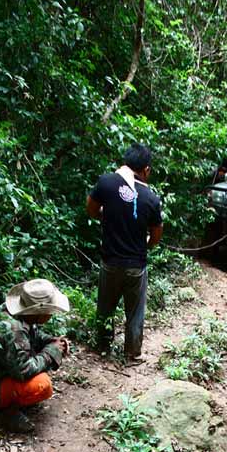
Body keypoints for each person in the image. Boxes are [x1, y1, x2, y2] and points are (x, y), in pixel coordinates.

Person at [86, 143, 164, 363]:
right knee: (135, 312)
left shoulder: (107, 182)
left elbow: (91, 208)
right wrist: (145, 245)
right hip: (136, 266)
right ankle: (132, 353)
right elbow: (156, 235)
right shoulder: (151, 198)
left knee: (105, 307)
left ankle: (102, 346)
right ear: (146, 169)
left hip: (110, 261)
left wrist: (107, 217)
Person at [0, 278, 70, 433]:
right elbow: (23, 371)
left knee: (39, 375)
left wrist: (52, 342)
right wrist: (52, 352)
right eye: (50, 311)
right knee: (42, 385)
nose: (52, 314)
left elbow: (35, 335)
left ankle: (10, 403)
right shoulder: (12, 329)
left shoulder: (20, 316)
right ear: (38, 312)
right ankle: (1, 413)